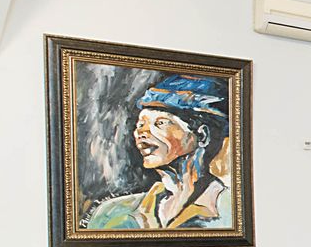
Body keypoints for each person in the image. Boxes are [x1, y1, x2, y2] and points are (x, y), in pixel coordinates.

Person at [84, 75, 233, 230]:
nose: (142, 133)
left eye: (160, 123)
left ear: (202, 136)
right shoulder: (110, 213)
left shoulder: (230, 210)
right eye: (140, 124)